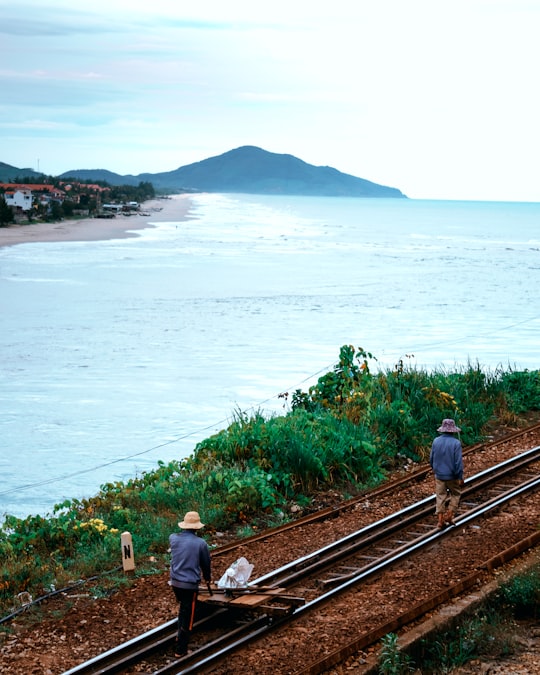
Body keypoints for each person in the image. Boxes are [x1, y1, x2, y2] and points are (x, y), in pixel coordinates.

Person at [169, 511, 212, 657]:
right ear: (197, 528)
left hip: (175, 583)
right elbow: (206, 564)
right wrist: (208, 578)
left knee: (183, 609)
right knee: (188, 616)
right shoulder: (201, 544)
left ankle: (178, 636)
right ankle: (181, 649)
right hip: (189, 585)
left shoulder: (173, 538)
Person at [429, 419, 464, 529]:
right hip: (452, 475)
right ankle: (449, 514)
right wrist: (460, 476)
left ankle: (440, 520)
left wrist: (435, 469)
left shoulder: (436, 441)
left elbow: (431, 458)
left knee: (440, 496)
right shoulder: (456, 443)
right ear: (453, 431)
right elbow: (458, 462)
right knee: (456, 493)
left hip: (439, 475)